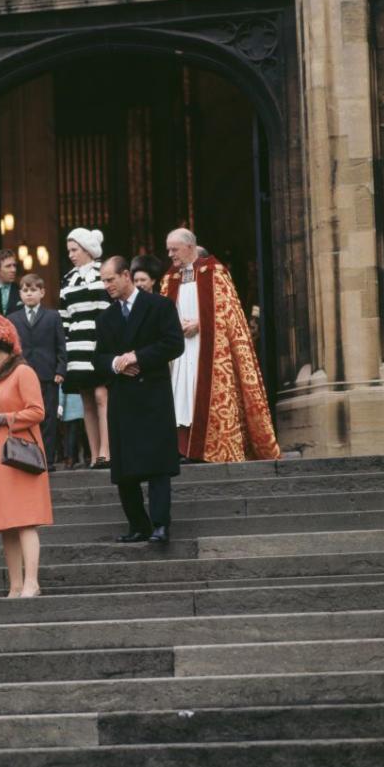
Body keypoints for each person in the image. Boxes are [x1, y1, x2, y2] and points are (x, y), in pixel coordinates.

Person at [162, 227, 280, 463]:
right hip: (179, 351)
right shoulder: (170, 278)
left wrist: (201, 324)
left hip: (208, 348)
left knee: (200, 392)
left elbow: (231, 315)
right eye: (168, 250)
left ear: (190, 247)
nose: (170, 255)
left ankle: (208, 449)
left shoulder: (215, 273)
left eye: (174, 249)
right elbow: (161, 314)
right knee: (180, 395)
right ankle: (183, 448)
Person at [95, 256, 185, 544]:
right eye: (103, 280)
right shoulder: (106, 317)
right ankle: (138, 525)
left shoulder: (159, 305)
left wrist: (138, 357)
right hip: (122, 396)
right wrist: (115, 363)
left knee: (158, 465)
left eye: (110, 279)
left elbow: (174, 343)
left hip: (152, 395)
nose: (106, 285)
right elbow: (97, 358)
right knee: (124, 468)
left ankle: (160, 524)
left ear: (126, 276)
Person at [0, 311, 53, 597]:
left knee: (25, 520)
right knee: (6, 524)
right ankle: (15, 584)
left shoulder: (23, 372)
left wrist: (7, 418)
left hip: (20, 457)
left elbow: (38, 411)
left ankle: (32, 582)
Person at [59, 227, 111, 469]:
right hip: (76, 347)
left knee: (102, 396)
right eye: (69, 250)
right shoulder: (67, 279)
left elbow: (109, 309)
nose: (70, 254)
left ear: (88, 249)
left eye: (75, 249)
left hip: (99, 343)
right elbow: (64, 318)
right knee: (87, 400)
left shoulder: (104, 273)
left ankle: (106, 451)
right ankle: (93, 454)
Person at [8, 273, 67, 472]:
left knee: (48, 417)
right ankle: (26, 457)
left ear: (42, 292)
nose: (29, 294)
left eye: (33, 290)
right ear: (20, 294)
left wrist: (60, 370)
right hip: (22, 373)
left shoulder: (53, 316)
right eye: (25, 290)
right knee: (24, 416)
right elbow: (10, 348)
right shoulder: (13, 318)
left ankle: (47, 459)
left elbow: (61, 346)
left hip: (47, 374)